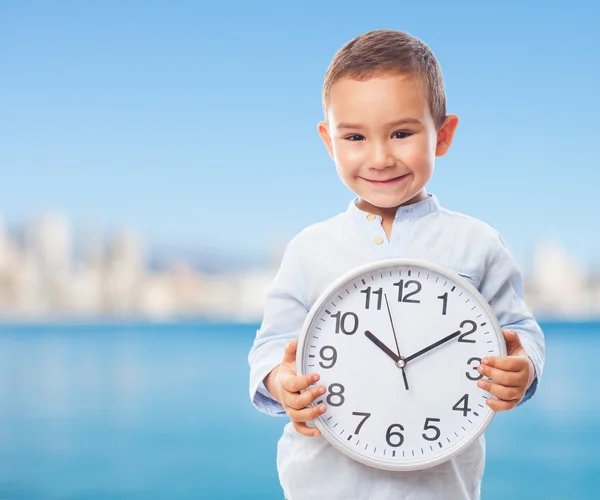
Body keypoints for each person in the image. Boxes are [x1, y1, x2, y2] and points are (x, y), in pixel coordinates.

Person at [248, 29, 545, 500]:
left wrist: (524, 366)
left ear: (442, 135)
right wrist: (281, 381)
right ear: (330, 141)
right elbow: (268, 347)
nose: (380, 157)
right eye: (355, 137)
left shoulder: (477, 243)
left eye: (402, 133)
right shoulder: (309, 248)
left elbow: (519, 330)